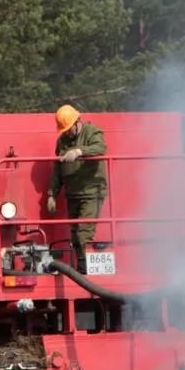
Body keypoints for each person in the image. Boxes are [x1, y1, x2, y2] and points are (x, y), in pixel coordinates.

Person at [46, 104, 108, 273]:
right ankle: (81, 271)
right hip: (72, 193)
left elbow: (100, 148)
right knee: (74, 236)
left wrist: (80, 151)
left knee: (83, 235)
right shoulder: (62, 141)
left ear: (77, 122)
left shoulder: (92, 132)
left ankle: (84, 273)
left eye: (68, 129)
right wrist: (51, 194)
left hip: (91, 192)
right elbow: (58, 168)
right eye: (63, 130)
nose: (66, 133)